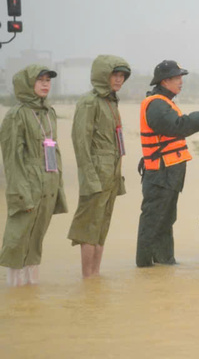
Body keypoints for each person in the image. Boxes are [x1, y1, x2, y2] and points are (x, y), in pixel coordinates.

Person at [136, 60, 199, 267]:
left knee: (165, 221)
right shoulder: (156, 104)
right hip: (160, 173)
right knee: (153, 222)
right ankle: (145, 268)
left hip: (168, 172)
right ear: (165, 81)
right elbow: (179, 126)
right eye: (177, 78)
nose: (181, 82)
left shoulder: (164, 102)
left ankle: (164, 263)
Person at [0, 65, 68, 286]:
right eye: (40, 80)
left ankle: (31, 291)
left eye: (48, 80)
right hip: (27, 185)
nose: (46, 83)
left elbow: (54, 151)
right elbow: (12, 160)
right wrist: (21, 194)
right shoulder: (16, 116)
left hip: (48, 182)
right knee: (18, 238)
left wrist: (58, 187)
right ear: (27, 84)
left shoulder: (49, 113)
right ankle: (14, 291)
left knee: (37, 238)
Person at [67, 55, 131, 278]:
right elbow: (80, 141)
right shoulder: (89, 102)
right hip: (96, 174)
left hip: (111, 174)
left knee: (102, 228)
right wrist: (90, 178)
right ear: (103, 75)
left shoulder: (111, 102)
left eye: (122, 76)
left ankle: (95, 277)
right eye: (115, 74)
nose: (119, 80)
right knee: (88, 229)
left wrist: (117, 177)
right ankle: (87, 277)